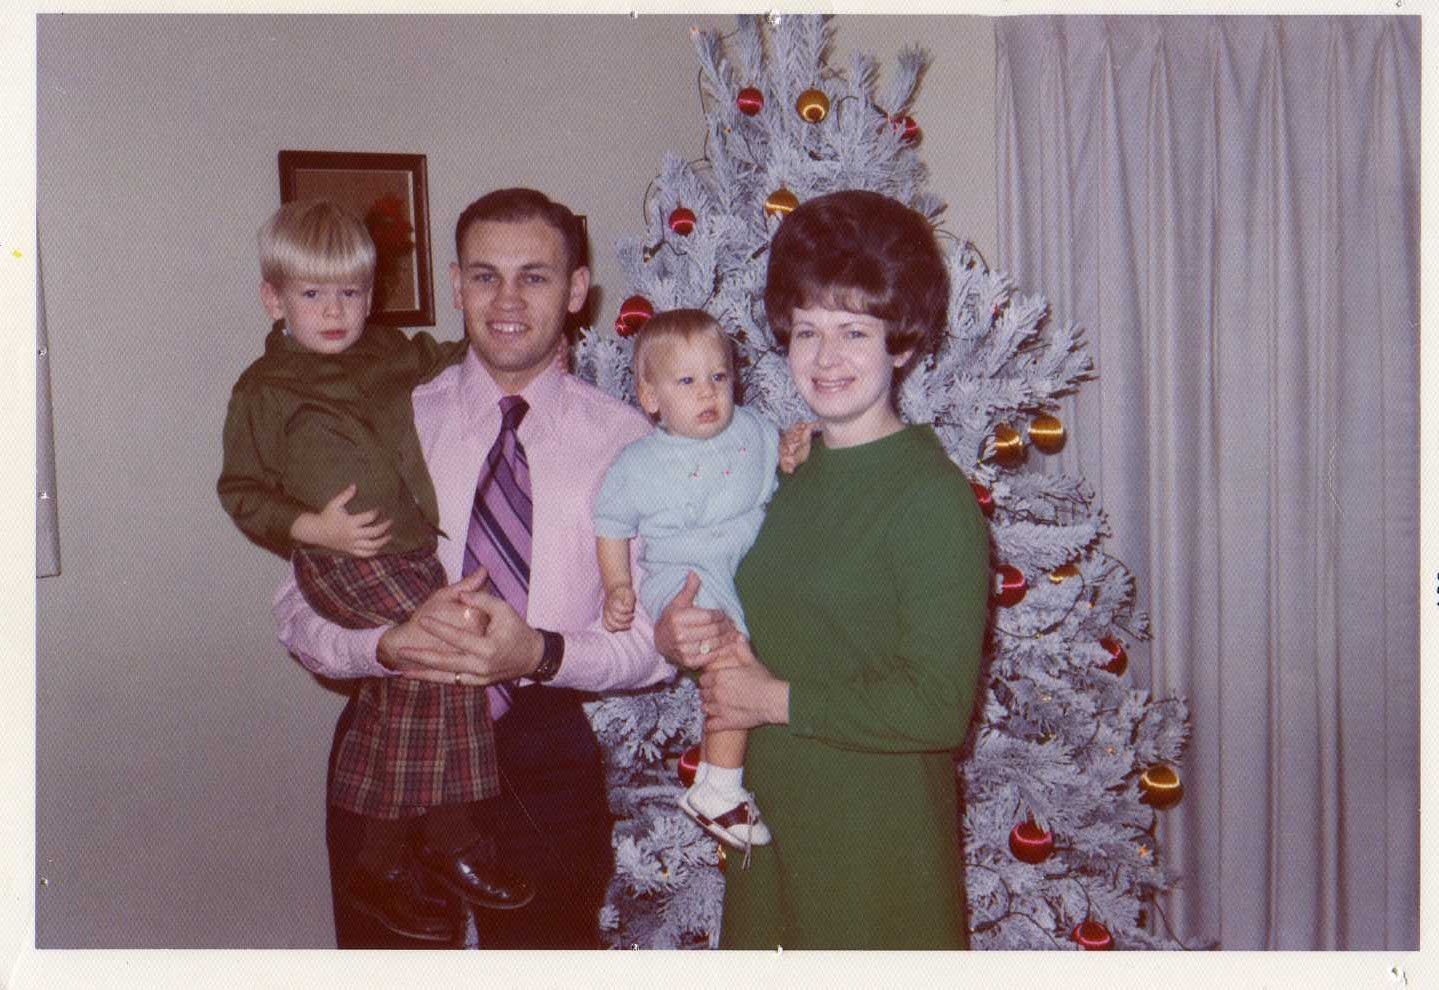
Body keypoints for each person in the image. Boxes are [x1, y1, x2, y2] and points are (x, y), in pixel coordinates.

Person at [272, 188, 671, 949]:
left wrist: (541, 652)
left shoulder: (630, 448)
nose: (507, 299)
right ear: (455, 285)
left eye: (535, 276)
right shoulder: (386, 421)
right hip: (390, 733)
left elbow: (655, 643)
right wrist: (380, 647)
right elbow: (297, 603)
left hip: (540, 749)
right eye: (485, 276)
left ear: (577, 290)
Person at [655, 189, 991, 949]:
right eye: (805, 330)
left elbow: (937, 707)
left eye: (852, 331)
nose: (824, 358)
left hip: (874, 845)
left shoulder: (930, 499)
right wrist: (686, 633)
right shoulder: (787, 475)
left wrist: (770, 699)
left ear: (899, 344)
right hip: (772, 824)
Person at [220, 199, 531, 945]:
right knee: (444, 653)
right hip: (342, 559)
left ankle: (385, 857)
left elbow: (451, 356)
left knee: (417, 685)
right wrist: (311, 526)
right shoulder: (265, 388)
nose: (335, 312)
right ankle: (445, 836)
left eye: (351, 294)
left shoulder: (386, 351)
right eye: (313, 295)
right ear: (275, 299)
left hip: (410, 553)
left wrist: (518, 349)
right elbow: (240, 491)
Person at [592, 308, 780, 851]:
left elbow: (782, 463)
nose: (708, 394)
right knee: (731, 657)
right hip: (684, 573)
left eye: (718, 377)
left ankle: (723, 779)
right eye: (688, 381)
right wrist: (618, 586)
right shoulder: (637, 464)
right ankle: (717, 787)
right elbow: (610, 527)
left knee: (747, 659)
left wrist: (792, 451)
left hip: (739, 552)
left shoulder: (753, 431)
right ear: (651, 398)